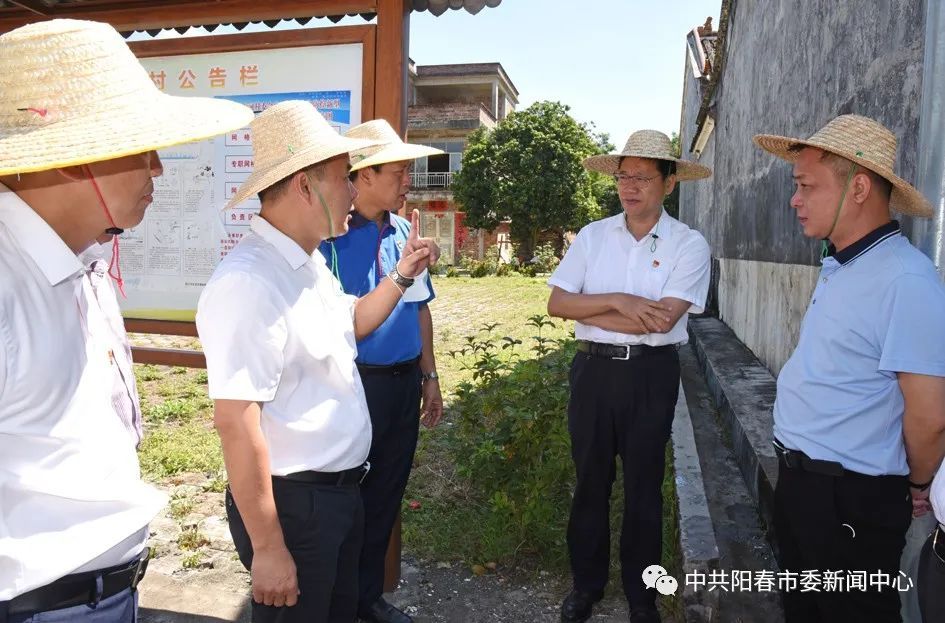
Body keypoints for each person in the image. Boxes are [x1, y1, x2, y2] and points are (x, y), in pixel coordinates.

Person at [0, 18, 251, 622]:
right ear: (73, 159)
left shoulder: (80, 260)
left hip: (102, 595)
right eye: (141, 148)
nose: (158, 168)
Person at [196, 101, 438, 623]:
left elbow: (352, 321)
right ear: (305, 186)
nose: (352, 190)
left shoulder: (305, 263)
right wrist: (268, 548)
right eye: (342, 177)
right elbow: (236, 422)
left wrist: (401, 275)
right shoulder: (250, 281)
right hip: (295, 508)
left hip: (334, 498)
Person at [753, 114, 945, 623]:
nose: (794, 200)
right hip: (803, 485)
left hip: (849, 501)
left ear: (858, 188)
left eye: (806, 186)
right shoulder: (843, 263)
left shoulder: (905, 279)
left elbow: (929, 415)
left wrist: (917, 485)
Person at [547, 130, 712, 623]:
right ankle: (586, 586)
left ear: (669, 183)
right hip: (593, 372)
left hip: (650, 374)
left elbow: (662, 320)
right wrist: (621, 301)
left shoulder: (688, 244)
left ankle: (643, 597)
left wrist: (591, 308)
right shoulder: (594, 236)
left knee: (644, 486)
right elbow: (558, 303)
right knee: (590, 481)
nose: (630, 187)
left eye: (642, 177)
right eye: (623, 176)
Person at [318, 119, 443, 623]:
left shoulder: (403, 232)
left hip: (402, 384)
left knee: (386, 494)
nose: (407, 181)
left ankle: (366, 597)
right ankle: (337, 601)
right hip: (354, 386)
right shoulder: (329, 237)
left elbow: (419, 309)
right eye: (398, 172)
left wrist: (430, 377)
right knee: (346, 500)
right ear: (364, 175)